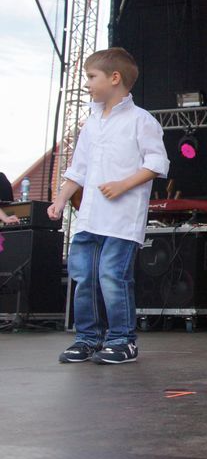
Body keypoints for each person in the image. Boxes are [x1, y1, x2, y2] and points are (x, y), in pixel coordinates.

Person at [48, 47, 169, 364]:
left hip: (121, 221)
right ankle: (87, 338)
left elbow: (157, 163)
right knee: (84, 278)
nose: (86, 83)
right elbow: (78, 169)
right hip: (89, 218)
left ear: (114, 78)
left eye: (91, 76)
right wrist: (60, 199)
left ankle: (122, 340)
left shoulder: (141, 121)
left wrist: (122, 184)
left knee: (112, 277)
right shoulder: (91, 124)